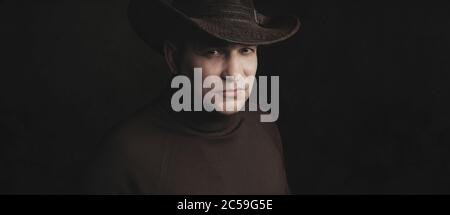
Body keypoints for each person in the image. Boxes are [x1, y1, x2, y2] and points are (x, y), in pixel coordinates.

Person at [83, 0, 300, 194]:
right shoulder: (126, 155)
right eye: (212, 51)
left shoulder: (264, 124)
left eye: (245, 50)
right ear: (174, 58)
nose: (233, 74)